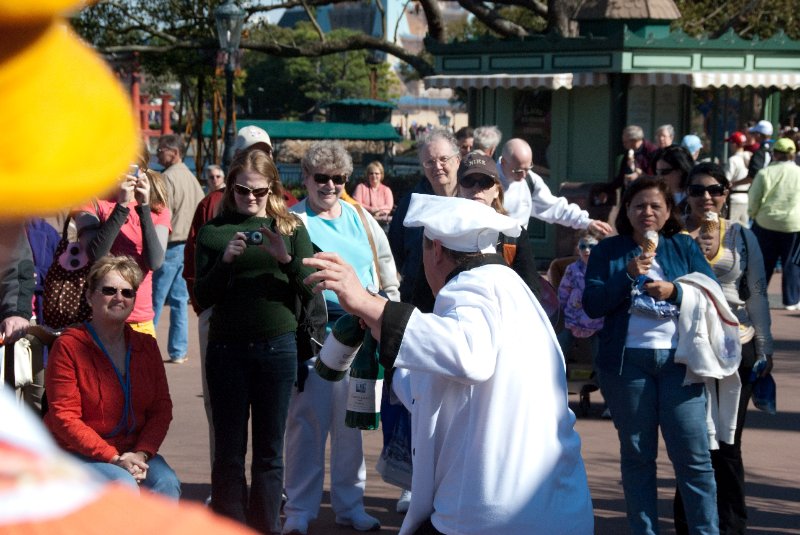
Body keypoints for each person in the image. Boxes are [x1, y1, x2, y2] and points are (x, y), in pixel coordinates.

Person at [301, 194, 594, 535]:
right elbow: (436, 385)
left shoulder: (470, 286)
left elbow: (469, 356)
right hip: (559, 506)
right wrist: (382, 330)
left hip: (492, 516)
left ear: (436, 250)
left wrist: (370, 304)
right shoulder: (512, 287)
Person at [583, 175, 719, 534]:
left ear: (668, 210)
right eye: (639, 205)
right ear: (626, 210)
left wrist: (676, 292)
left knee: (694, 458)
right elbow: (592, 304)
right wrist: (627, 275)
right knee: (638, 457)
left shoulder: (683, 246)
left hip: (680, 363)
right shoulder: (607, 251)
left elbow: (711, 294)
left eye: (655, 205)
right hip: (627, 366)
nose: (647, 212)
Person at [193, 149, 314, 533]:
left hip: (277, 347)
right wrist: (225, 261)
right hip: (226, 349)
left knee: (269, 453)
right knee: (228, 453)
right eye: (243, 190)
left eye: (259, 191)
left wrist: (285, 259)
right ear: (230, 188)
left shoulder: (291, 229)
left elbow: (310, 291)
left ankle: (265, 527)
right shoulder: (214, 232)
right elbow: (202, 298)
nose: (250, 198)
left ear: (272, 189)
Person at [282, 141, 399, 535]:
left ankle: (350, 506)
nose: (329, 185)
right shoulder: (292, 221)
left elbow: (385, 267)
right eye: (321, 177)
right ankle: (299, 509)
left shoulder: (360, 216)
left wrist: (388, 313)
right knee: (306, 423)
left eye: (338, 178)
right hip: (315, 334)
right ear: (305, 178)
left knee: (353, 424)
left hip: (362, 333)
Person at [676, 162, 773, 534]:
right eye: (697, 190)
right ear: (686, 193)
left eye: (715, 189)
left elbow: (758, 292)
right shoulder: (673, 235)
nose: (706, 197)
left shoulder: (741, 236)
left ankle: (731, 525)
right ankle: (691, 523)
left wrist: (765, 346)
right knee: (694, 442)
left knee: (728, 442)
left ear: (726, 193)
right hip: (688, 348)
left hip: (736, 345)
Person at [43, 254, 180, 498]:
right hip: (75, 452)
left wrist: (141, 454)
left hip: (133, 451)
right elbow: (65, 417)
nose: (119, 298)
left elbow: (161, 408)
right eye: (109, 290)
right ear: (89, 296)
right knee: (122, 484)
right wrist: (114, 458)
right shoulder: (68, 346)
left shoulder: (146, 345)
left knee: (166, 483)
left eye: (127, 292)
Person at [75, 149, 171, 335]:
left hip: (140, 320)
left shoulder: (157, 209)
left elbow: (155, 262)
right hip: (99, 318)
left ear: (142, 171)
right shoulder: (92, 202)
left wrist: (143, 208)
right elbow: (96, 255)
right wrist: (121, 206)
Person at [456, 150, 541, 296]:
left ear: (497, 191)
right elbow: (425, 295)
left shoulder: (514, 234)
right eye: (468, 181)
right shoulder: (442, 232)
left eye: (485, 182)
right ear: (458, 189)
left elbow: (532, 291)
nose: (476, 188)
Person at [152, 134, 205, 364]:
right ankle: (178, 350)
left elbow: (161, 213)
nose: (157, 154)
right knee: (179, 301)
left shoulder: (166, 178)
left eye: (160, 150)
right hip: (189, 245)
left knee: (154, 299)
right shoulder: (192, 179)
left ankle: (144, 346)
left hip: (171, 244)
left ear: (174, 152)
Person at [497, 138, 613, 235]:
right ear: (503, 163)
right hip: (491, 247)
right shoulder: (489, 180)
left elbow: (554, 207)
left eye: (528, 169)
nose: (523, 175)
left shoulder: (530, 181)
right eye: (518, 171)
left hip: (515, 246)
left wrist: (586, 222)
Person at [748, 137, 800, 310]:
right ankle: (791, 301)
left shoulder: (765, 173)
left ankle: (757, 297)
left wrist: (753, 214)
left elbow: (754, 198)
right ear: (793, 154)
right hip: (794, 224)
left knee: (763, 263)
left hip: (766, 222)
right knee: (792, 263)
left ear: (775, 154)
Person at [556, 231, 603, 378]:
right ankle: (555, 374)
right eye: (583, 246)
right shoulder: (572, 268)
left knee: (600, 355)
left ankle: (600, 379)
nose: (587, 250)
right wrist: (561, 309)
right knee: (559, 347)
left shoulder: (605, 268)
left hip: (597, 318)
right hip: (573, 316)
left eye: (591, 246)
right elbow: (564, 290)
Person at [612, 124, 658, 189]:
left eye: (625, 142)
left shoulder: (652, 151)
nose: (623, 145)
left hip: (646, 189)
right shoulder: (629, 151)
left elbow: (655, 177)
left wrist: (639, 175)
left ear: (634, 141)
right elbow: (621, 177)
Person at [724, 131, 752, 226]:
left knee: (731, 230)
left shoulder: (733, 160)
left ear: (734, 144)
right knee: (744, 229)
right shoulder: (750, 157)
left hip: (734, 199)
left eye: (730, 143)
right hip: (746, 198)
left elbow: (726, 181)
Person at [352, 161, 393, 225]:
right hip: (363, 222)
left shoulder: (386, 190)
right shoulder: (360, 187)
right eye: (371, 173)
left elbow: (389, 206)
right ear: (368, 175)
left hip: (382, 223)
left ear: (381, 175)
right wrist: (370, 209)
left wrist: (377, 211)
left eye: (377, 173)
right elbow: (356, 204)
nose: (374, 175)